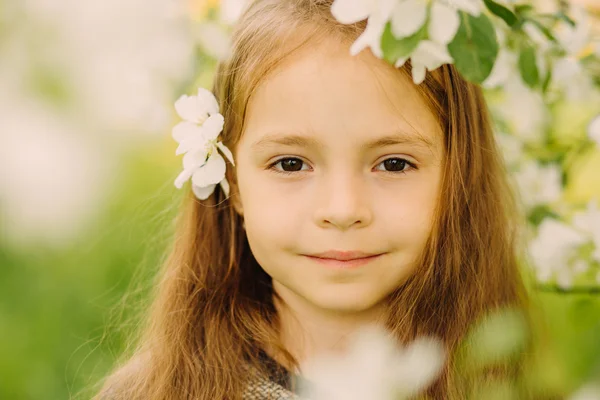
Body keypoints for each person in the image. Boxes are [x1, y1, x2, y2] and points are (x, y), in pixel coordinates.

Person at [94, 0, 531, 398]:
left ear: (458, 175)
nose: (342, 211)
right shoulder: (153, 393)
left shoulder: (519, 386)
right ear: (233, 178)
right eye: (290, 164)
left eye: (394, 164)